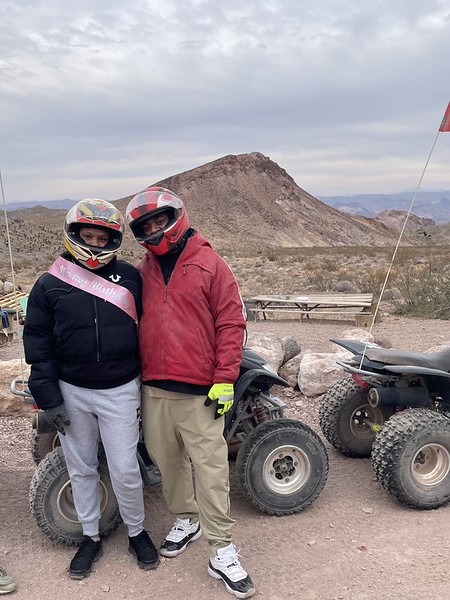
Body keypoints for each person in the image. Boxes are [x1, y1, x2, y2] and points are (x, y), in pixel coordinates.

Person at [126, 187, 255, 599]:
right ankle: (187, 518)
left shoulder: (210, 263)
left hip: (201, 389)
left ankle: (222, 549)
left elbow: (231, 322)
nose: (154, 229)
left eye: (159, 220)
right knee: (168, 462)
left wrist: (225, 377)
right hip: (154, 387)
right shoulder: (141, 271)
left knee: (212, 470)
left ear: (175, 217)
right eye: (146, 226)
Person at [23, 198, 159, 579]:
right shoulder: (49, 284)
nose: (95, 245)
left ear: (112, 240)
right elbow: (38, 344)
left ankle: (136, 532)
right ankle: (90, 536)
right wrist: (49, 398)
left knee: (125, 468)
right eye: (88, 236)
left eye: (102, 239)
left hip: (121, 388)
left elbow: (152, 326)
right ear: (74, 235)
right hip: (72, 391)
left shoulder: (130, 277)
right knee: (80, 466)